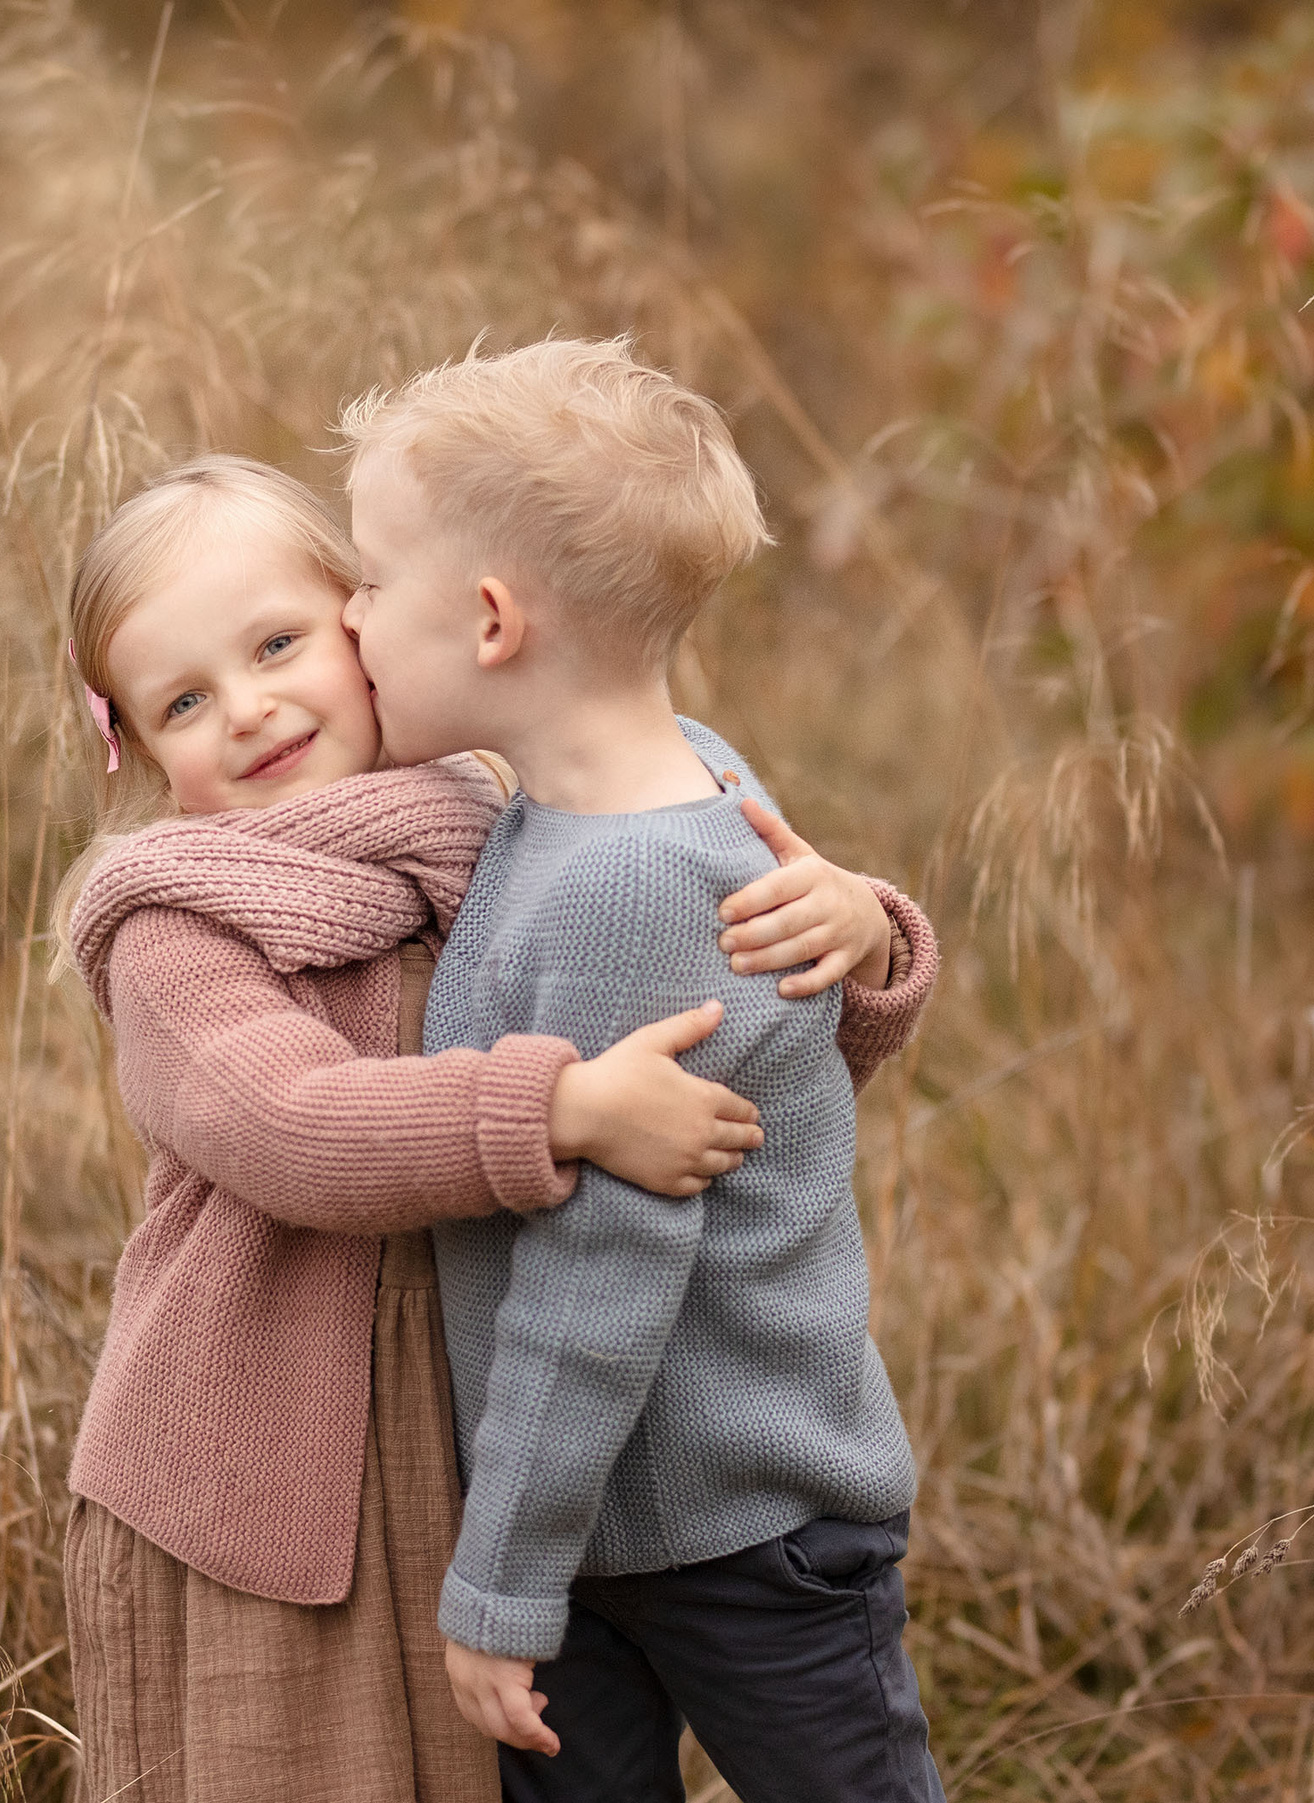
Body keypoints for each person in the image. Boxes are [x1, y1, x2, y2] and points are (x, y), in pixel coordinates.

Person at [55, 450, 939, 1803]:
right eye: (183, 700)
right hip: (284, 1460)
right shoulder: (176, 928)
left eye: (278, 644)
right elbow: (292, 1125)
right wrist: (561, 1108)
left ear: (363, 620)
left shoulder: (507, 821)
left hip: (513, 1447)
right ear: (135, 746)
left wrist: (859, 937)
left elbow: (721, 1073)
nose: (248, 709)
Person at [340, 337, 948, 1803]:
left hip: (740, 1533)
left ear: (492, 622)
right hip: (601, 1522)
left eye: (369, 579)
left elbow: (599, 1286)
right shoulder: (663, 775)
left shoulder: (619, 890)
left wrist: (498, 1583)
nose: (347, 615)